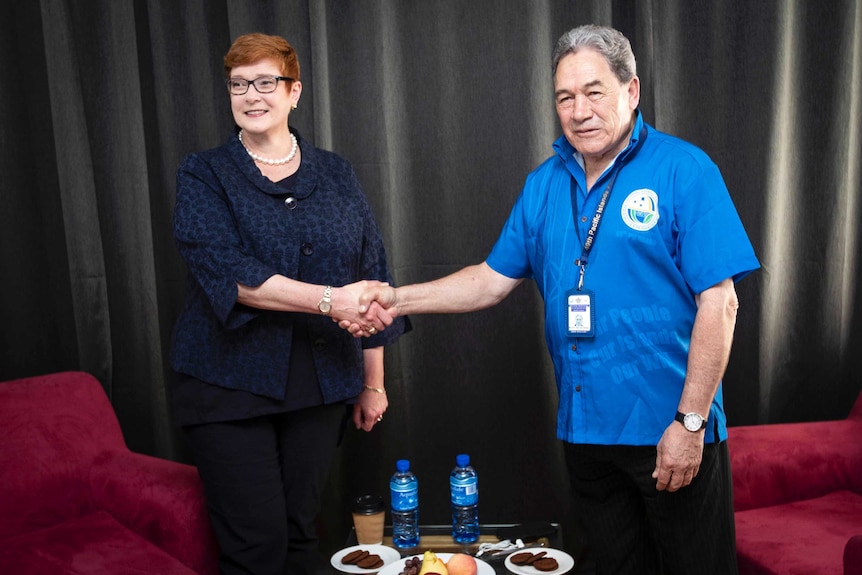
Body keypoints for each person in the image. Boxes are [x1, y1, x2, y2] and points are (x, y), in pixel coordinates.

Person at [353, 24, 759, 575]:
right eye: (565, 97)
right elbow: (489, 281)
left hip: (670, 433)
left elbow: (721, 302)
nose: (579, 110)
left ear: (632, 91)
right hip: (586, 435)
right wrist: (396, 298)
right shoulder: (544, 185)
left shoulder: (684, 170)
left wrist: (689, 425)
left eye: (594, 91)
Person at [169, 32, 408, 575]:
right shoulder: (203, 173)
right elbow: (233, 278)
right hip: (226, 385)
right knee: (257, 547)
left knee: (304, 535)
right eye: (238, 84)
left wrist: (374, 380)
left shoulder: (336, 172)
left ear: (294, 91)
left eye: (265, 82)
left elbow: (371, 276)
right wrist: (329, 301)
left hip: (321, 385)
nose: (251, 95)